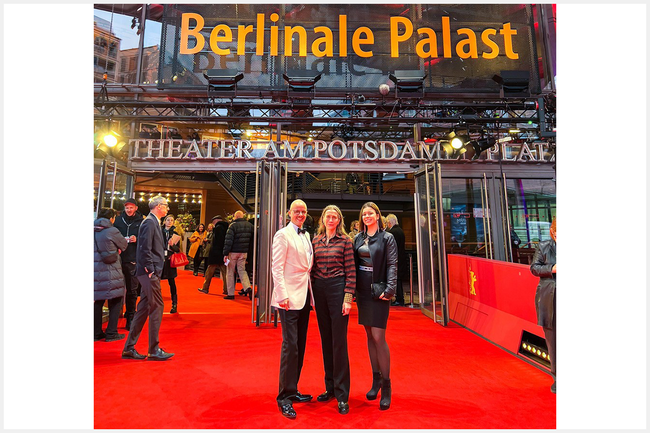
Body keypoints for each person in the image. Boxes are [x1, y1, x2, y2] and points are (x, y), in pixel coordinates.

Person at [271, 199, 314, 419]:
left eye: (303, 211)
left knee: (300, 345)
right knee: (290, 346)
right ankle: (284, 397)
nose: (300, 214)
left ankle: (293, 388)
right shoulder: (282, 235)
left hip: (304, 297)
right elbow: (276, 268)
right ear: (289, 213)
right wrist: (282, 295)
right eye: (297, 211)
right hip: (288, 298)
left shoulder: (306, 235)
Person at [311, 205, 356, 415]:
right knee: (326, 340)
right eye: (328, 216)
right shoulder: (315, 241)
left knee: (339, 342)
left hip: (338, 290)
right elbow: (311, 271)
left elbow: (351, 272)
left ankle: (342, 393)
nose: (331, 219)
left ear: (339, 220)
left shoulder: (346, 241)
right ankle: (329, 387)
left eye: (334, 217)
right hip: (319, 291)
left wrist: (348, 298)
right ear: (323, 219)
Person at [353, 202, 397, 410]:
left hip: (379, 291)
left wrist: (390, 289)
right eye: (364, 214)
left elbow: (392, 264)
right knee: (369, 336)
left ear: (378, 216)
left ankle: (386, 386)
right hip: (362, 291)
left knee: (379, 337)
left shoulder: (387, 238)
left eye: (370, 213)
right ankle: (375, 380)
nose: (367, 216)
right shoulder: (358, 238)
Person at [122, 195, 174, 361]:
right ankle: (154, 349)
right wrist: (150, 269)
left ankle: (129, 348)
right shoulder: (150, 222)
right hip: (148, 272)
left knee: (144, 308)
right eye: (166, 205)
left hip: (149, 271)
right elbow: (144, 247)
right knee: (157, 306)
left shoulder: (152, 222)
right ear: (158, 206)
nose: (167, 208)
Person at [530, 218, 556, 393]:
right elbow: (534, 268)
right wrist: (553, 268)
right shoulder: (545, 246)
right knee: (553, 341)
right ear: (553, 232)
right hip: (550, 299)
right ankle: (558, 377)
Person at [94, 208, 128, 342]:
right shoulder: (112, 230)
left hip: (95, 270)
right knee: (116, 299)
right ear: (111, 218)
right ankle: (111, 332)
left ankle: (96, 333)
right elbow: (124, 245)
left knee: (98, 301)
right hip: (110, 270)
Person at [113, 198, 144, 330]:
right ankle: (116, 315)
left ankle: (130, 316)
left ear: (136, 208)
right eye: (126, 208)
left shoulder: (141, 221)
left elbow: (146, 238)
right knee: (117, 288)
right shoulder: (118, 220)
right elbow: (113, 235)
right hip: (118, 258)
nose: (129, 210)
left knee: (132, 290)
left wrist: (137, 239)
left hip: (133, 258)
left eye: (131, 207)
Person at [223, 210, 254, 300]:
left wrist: (225, 253)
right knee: (242, 270)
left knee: (230, 272)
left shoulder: (232, 226)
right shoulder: (250, 226)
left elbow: (228, 240)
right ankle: (247, 287)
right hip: (244, 252)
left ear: (235, 217)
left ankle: (231, 293)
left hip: (233, 252)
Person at [198, 215, 230, 295]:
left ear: (216, 221)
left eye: (213, 222)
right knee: (225, 273)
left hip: (215, 254)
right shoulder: (227, 227)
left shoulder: (218, 228)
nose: (213, 223)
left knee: (209, 272)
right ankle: (226, 289)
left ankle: (205, 288)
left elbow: (216, 242)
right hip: (223, 253)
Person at [386, 214, 408, 307]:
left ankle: (399, 299)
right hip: (401, 257)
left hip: (396, 258)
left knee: (397, 280)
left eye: (387, 223)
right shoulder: (400, 231)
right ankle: (400, 298)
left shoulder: (393, 232)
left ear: (390, 222)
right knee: (398, 280)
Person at [161, 214, 182, 314]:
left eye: (171, 220)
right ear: (164, 221)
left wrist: (172, 245)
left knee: (172, 282)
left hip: (169, 260)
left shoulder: (175, 234)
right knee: (155, 282)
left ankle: (174, 304)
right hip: (160, 260)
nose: (169, 222)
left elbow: (178, 249)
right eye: (168, 220)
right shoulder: (158, 232)